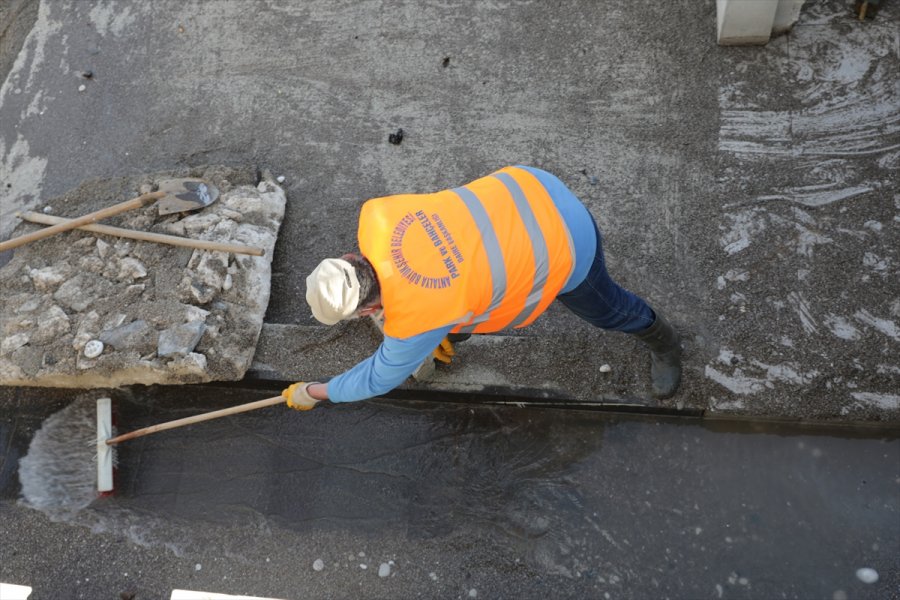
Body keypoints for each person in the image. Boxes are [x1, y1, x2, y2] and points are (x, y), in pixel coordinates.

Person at [282, 166, 682, 410]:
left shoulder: (416, 320)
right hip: (529, 185)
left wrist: (316, 392)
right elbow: (431, 272)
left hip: (564, 240)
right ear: (349, 256)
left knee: (606, 309)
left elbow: (375, 379)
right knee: (458, 297)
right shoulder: (377, 216)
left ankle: (663, 340)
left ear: (369, 312)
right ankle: (455, 332)